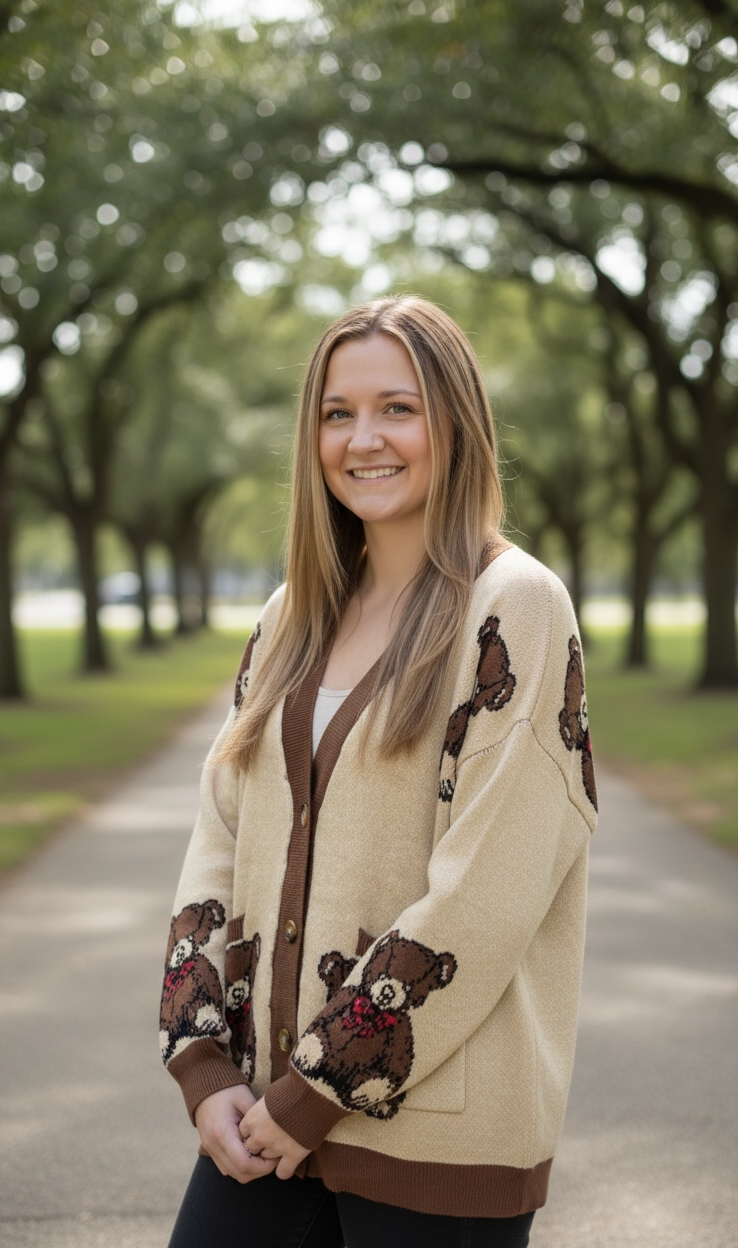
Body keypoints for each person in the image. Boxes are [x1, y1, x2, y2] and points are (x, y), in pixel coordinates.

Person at [159, 295, 597, 1248]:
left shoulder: (516, 606)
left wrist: (316, 1093)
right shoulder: (291, 615)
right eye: (337, 413)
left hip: (436, 1140)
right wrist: (202, 1062)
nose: (364, 439)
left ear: (456, 423)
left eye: (398, 408)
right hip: (260, 1115)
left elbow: (487, 894)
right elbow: (219, 834)